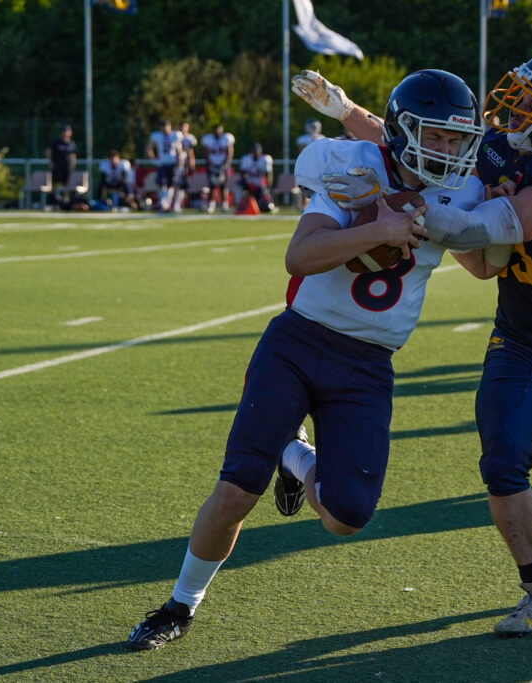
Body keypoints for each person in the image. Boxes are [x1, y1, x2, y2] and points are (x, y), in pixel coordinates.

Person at [291, 51, 532, 638]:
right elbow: (413, 142)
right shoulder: (502, 145)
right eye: (518, 94)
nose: (514, 105)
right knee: (502, 465)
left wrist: (395, 208)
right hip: (518, 339)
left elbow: (478, 230)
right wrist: (347, 111)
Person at [126, 69, 486, 651]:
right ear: (404, 132)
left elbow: (485, 264)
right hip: (299, 343)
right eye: (435, 136)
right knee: (238, 487)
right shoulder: (350, 168)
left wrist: (477, 226)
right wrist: (380, 229)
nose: (446, 150)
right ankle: (179, 605)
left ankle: (294, 458)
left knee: (347, 514)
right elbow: (301, 255)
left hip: (368, 365)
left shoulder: (464, 190)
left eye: (455, 138)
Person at [146, 120, 184, 212]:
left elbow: (179, 151)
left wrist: (180, 165)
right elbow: (149, 148)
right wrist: (154, 160)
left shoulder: (175, 135)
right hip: (162, 164)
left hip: (172, 163)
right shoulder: (157, 136)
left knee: (171, 185)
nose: (164, 129)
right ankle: (163, 204)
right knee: (162, 184)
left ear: (169, 127)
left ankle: (168, 204)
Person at [201, 124, 236, 213]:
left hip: (223, 166)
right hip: (212, 165)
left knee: (224, 186)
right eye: (216, 130)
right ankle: (211, 205)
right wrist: (209, 163)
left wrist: (225, 164)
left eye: (219, 129)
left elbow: (230, 151)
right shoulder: (208, 139)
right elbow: (205, 151)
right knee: (212, 186)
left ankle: (224, 205)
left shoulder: (226, 138)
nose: (217, 131)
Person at [238, 142, 276, 213]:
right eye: (254, 151)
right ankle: (239, 204)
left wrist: (267, 188)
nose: (255, 153)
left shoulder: (264, 159)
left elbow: (269, 175)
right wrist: (246, 183)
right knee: (238, 185)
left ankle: (264, 205)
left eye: (257, 151)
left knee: (264, 206)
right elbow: (242, 173)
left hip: (260, 186)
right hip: (249, 184)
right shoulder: (247, 159)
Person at [46, 124, 77, 204]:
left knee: (67, 184)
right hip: (57, 167)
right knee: (54, 183)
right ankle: (51, 200)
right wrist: (51, 162)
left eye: (67, 131)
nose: (65, 133)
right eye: (64, 131)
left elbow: (73, 156)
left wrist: (73, 166)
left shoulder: (71, 143)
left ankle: (66, 201)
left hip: (67, 168)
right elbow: (49, 151)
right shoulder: (57, 142)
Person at [178, 121, 199, 210]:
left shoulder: (190, 138)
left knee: (182, 185)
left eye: (185, 127)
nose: (184, 129)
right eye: (182, 127)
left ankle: (177, 204)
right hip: (174, 163)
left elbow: (191, 152)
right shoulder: (174, 136)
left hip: (184, 164)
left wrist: (192, 164)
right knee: (172, 185)